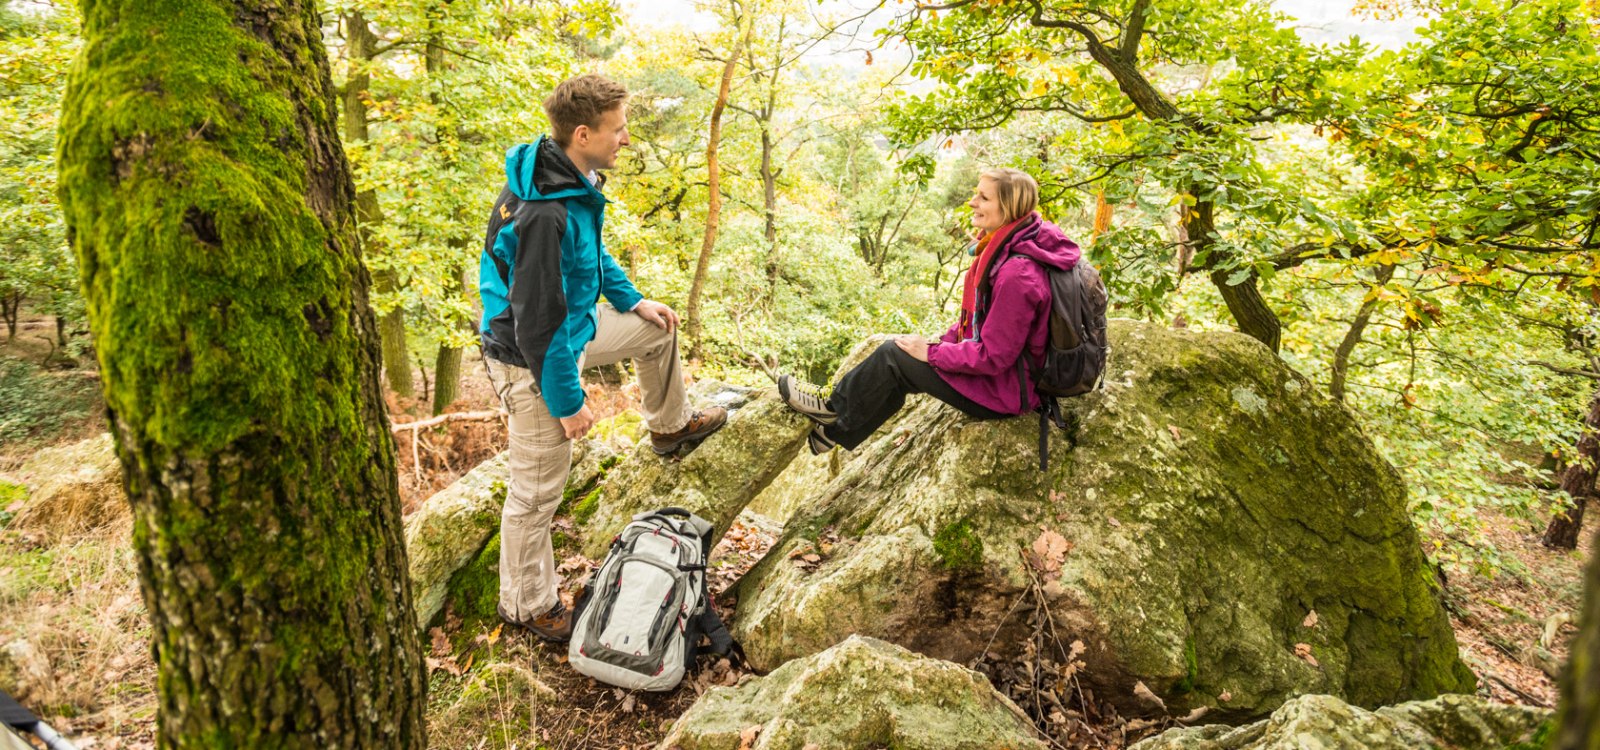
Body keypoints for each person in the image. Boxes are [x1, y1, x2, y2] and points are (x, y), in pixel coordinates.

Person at [479, 74, 728, 642]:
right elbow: (538, 324)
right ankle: (526, 605)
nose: (627, 139)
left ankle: (669, 427)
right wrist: (568, 403)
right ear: (584, 132)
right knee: (537, 490)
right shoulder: (545, 212)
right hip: (529, 356)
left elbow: (589, 256)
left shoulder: (571, 176)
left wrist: (631, 299)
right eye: (618, 130)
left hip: (570, 328)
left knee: (658, 330)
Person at [778, 168, 1080, 453]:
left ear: (1009, 209)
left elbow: (994, 356)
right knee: (903, 356)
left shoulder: (1017, 274)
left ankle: (831, 408)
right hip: (1006, 381)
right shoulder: (1006, 248)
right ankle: (834, 433)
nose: (973, 202)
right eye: (976, 194)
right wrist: (936, 343)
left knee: (892, 358)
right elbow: (977, 324)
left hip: (1006, 392)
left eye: (984, 198)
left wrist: (932, 353)